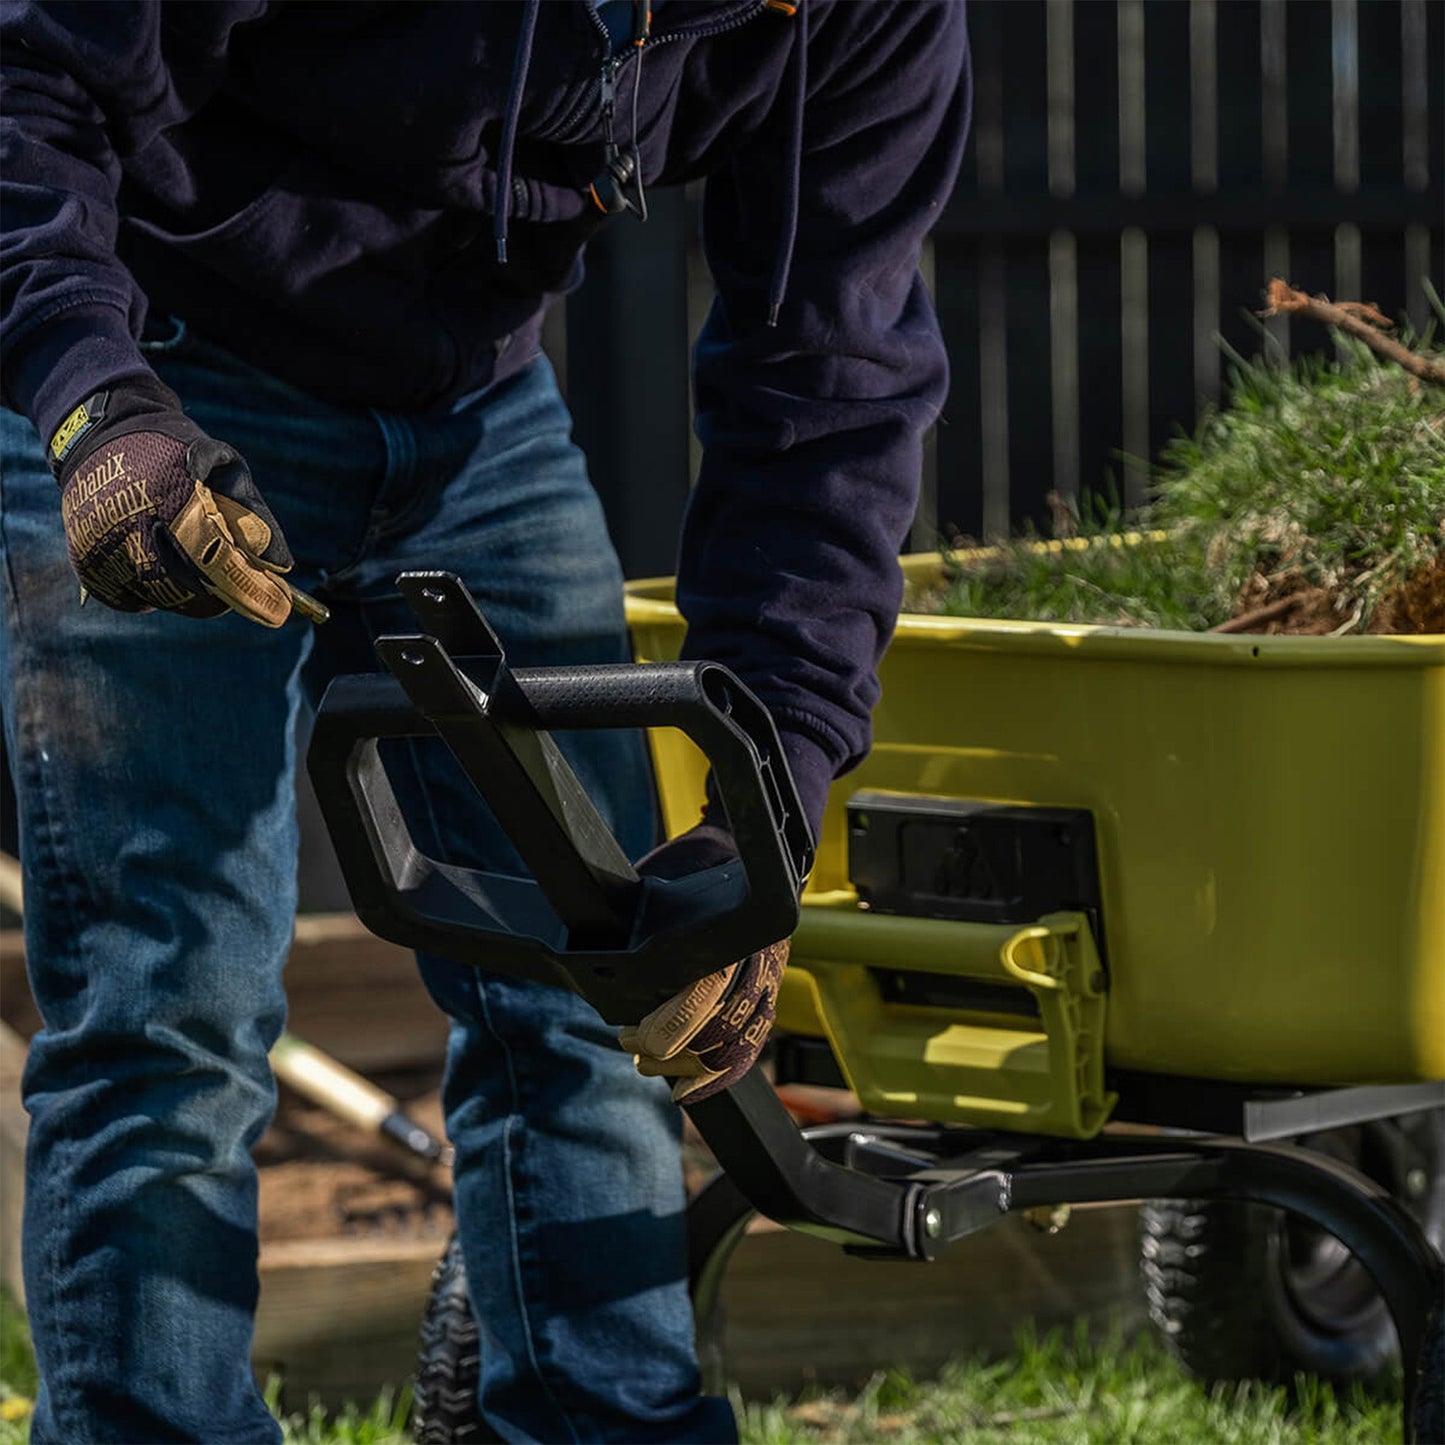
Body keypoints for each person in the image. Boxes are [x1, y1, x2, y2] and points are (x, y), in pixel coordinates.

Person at [0, 1, 971, 1439]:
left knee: (601, 972)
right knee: (172, 1000)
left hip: (477, 406)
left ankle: (611, 1421)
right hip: (162, 367)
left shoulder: (870, 19)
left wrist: (766, 797)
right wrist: (90, 400)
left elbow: (829, 384)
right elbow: (29, 76)